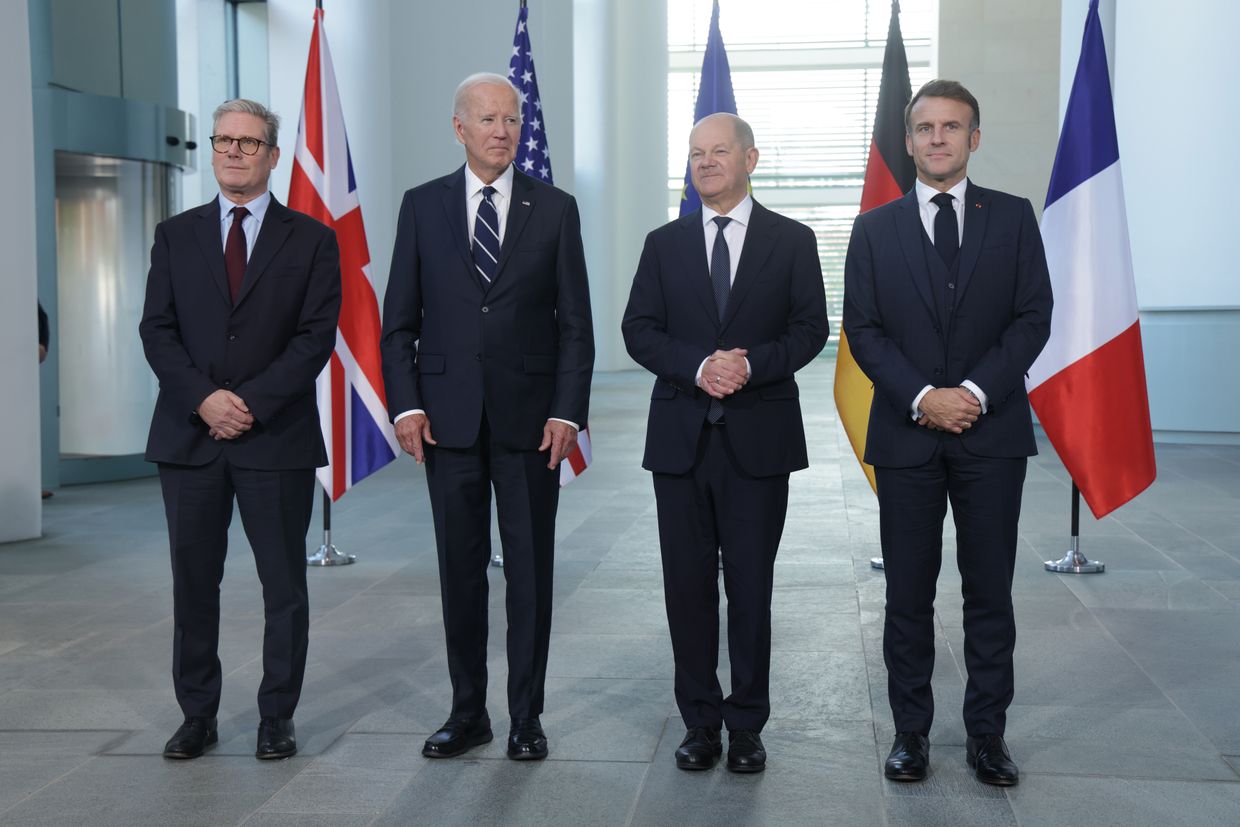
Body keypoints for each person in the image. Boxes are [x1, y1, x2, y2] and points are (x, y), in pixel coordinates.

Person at [842, 79, 1053, 786]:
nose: (938, 138)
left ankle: (987, 737)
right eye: (925, 128)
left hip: (991, 436)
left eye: (952, 127)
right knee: (908, 593)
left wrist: (970, 392)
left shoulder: (1016, 219)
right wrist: (924, 397)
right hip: (906, 437)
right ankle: (911, 735)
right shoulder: (874, 229)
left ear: (974, 138)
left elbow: (1033, 317)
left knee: (989, 591)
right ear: (908, 141)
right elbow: (863, 331)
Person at [380, 73, 594, 762]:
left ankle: (526, 717)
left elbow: (576, 327)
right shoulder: (421, 207)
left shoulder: (555, 209)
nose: (503, 131)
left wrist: (568, 411)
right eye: (488, 119)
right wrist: (407, 402)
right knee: (460, 571)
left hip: (533, 426)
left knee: (530, 573)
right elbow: (397, 323)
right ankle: (466, 711)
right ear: (459, 128)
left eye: (512, 118)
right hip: (447, 424)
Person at [622, 113, 829, 774]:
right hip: (680, 440)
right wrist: (696, 365)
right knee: (685, 588)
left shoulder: (792, 241)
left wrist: (749, 364)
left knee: (750, 586)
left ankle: (746, 725)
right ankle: (699, 722)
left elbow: (811, 329)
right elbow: (639, 329)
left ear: (750, 159)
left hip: (758, 440)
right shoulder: (663, 244)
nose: (705, 162)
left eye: (718, 152)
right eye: (695, 153)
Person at [139, 99, 341, 760]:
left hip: (273, 437)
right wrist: (204, 400)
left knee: (283, 585)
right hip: (189, 439)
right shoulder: (176, 235)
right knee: (194, 584)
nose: (233, 151)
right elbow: (157, 330)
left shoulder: (311, 239)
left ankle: (275, 716)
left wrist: (246, 403)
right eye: (224, 139)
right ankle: (197, 714)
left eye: (248, 143)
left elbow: (315, 337)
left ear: (271, 155)